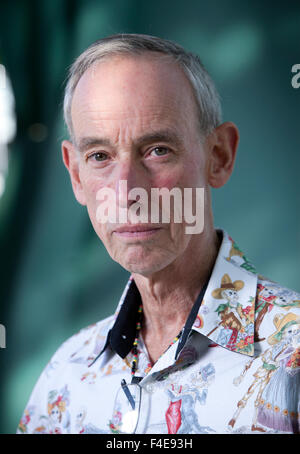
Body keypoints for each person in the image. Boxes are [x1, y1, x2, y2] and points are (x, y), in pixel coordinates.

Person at [17, 34, 300, 435]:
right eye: (100, 157)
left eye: (157, 150)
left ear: (219, 156)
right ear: (76, 174)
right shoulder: (65, 375)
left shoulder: (292, 356)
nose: (126, 191)